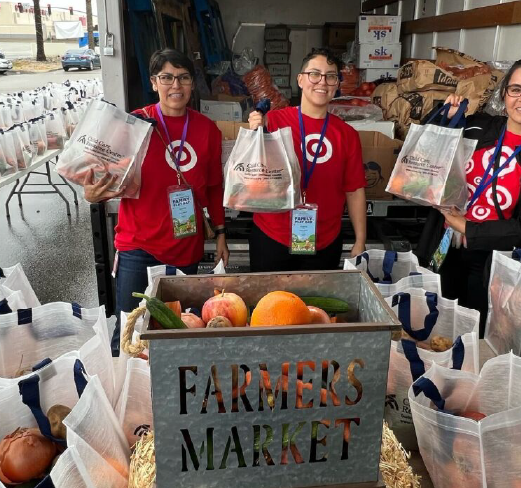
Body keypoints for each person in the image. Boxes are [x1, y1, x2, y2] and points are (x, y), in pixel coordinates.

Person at [84, 48, 229, 354]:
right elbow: (102, 175)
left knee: (178, 328)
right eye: (167, 77)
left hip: (185, 246)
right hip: (138, 245)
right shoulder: (133, 125)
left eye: (184, 78)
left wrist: (220, 234)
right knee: (129, 331)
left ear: (192, 84)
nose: (176, 86)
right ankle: (122, 395)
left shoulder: (207, 131)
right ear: (154, 82)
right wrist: (92, 194)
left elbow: (215, 188)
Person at [416, 50, 521, 334]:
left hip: (490, 262)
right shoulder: (476, 126)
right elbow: (424, 158)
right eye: (516, 89)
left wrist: (468, 227)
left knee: (475, 332)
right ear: (505, 94)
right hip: (444, 243)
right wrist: (443, 120)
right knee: (434, 326)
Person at [247, 48, 367, 272]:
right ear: (300, 80)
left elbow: (354, 190)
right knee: (267, 305)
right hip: (272, 236)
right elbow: (251, 172)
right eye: (314, 74)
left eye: (330, 76)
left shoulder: (347, 135)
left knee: (315, 306)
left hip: (324, 241)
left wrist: (360, 240)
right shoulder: (272, 122)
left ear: (337, 84)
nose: (322, 82)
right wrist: (255, 132)